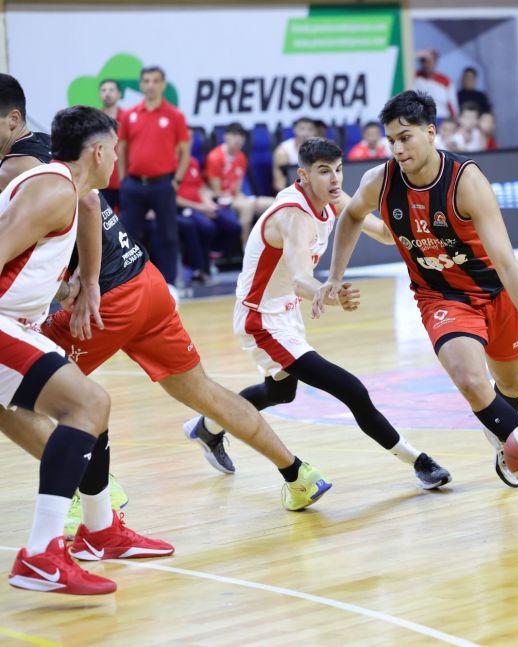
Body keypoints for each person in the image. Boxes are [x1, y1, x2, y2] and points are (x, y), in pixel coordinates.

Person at [0, 76, 330, 531]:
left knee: (15, 398)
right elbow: (87, 203)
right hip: (145, 280)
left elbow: (83, 207)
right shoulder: (45, 147)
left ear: (13, 119)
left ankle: (91, 491)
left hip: (107, 301)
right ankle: (298, 473)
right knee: (202, 391)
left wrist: (89, 281)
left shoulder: (17, 168)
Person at [323, 91, 518, 515]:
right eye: (391, 140)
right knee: (471, 381)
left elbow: (507, 264)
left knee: (510, 386)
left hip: (494, 292)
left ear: (430, 132)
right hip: (441, 296)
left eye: (405, 137)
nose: (398, 148)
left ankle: (502, 437)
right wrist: (334, 277)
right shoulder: (379, 181)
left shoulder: (466, 182)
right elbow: (351, 216)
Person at [186, 137, 451, 491]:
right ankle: (418, 461)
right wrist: (329, 293)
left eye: (338, 170)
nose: (335, 179)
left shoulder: (333, 198)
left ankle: (207, 427)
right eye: (324, 171)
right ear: (304, 175)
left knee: (280, 393)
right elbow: (300, 279)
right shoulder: (293, 217)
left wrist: (415, 215)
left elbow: (386, 234)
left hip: (285, 313)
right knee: (351, 389)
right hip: (260, 320)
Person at [1, 105, 173, 595]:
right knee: (89, 403)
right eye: (115, 150)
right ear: (98, 152)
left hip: (19, 321)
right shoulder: (54, 188)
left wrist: (85, 281)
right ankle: (41, 553)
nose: (118, 159)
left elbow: (90, 208)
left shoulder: (71, 189)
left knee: (91, 407)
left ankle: (100, 531)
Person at [117, 66, 190, 287]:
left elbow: (185, 151)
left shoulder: (175, 115)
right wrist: (123, 180)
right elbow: (122, 148)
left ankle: (169, 285)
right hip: (134, 184)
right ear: (141, 84)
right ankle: (127, 283)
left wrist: (176, 181)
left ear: (163, 84)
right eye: (146, 81)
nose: (151, 85)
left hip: (163, 184)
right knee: (126, 236)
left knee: (168, 236)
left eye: (155, 81)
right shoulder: (130, 115)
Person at [205, 122, 274, 241]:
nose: (238, 139)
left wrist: (246, 199)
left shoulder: (241, 157)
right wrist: (245, 201)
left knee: (274, 203)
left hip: (235, 197)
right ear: (225, 136)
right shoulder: (214, 157)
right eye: (234, 135)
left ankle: (271, 244)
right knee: (247, 208)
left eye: (241, 136)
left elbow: (237, 189)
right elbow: (217, 191)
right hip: (218, 199)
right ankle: (245, 248)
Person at [177, 157, 241, 284]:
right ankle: (200, 269)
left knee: (233, 226)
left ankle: (212, 255)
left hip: (202, 205)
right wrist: (200, 208)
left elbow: (201, 187)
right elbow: (171, 197)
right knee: (207, 227)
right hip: (184, 208)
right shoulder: (169, 164)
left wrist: (208, 203)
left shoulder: (192, 162)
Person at [98, 79, 123, 210]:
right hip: (101, 180)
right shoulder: (94, 119)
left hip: (124, 181)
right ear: (99, 94)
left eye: (111, 90)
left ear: (119, 94)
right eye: (104, 90)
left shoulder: (128, 117)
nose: (107, 93)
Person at [273, 117, 317, 192]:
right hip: (291, 193)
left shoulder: (320, 149)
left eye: (310, 129)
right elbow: (279, 184)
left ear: (315, 131)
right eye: (302, 129)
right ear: (294, 130)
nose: (306, 133)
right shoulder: (283, 151)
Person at [414, 48, 458, 119]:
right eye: (424, 61)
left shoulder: (445, 81)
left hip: (442, 118)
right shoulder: (413, 77)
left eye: (430, 61)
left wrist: (454, 120)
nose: (427, 65)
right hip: (421, 119)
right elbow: (402, 63)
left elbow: (452, 105)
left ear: (435, 62)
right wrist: (417, 55)